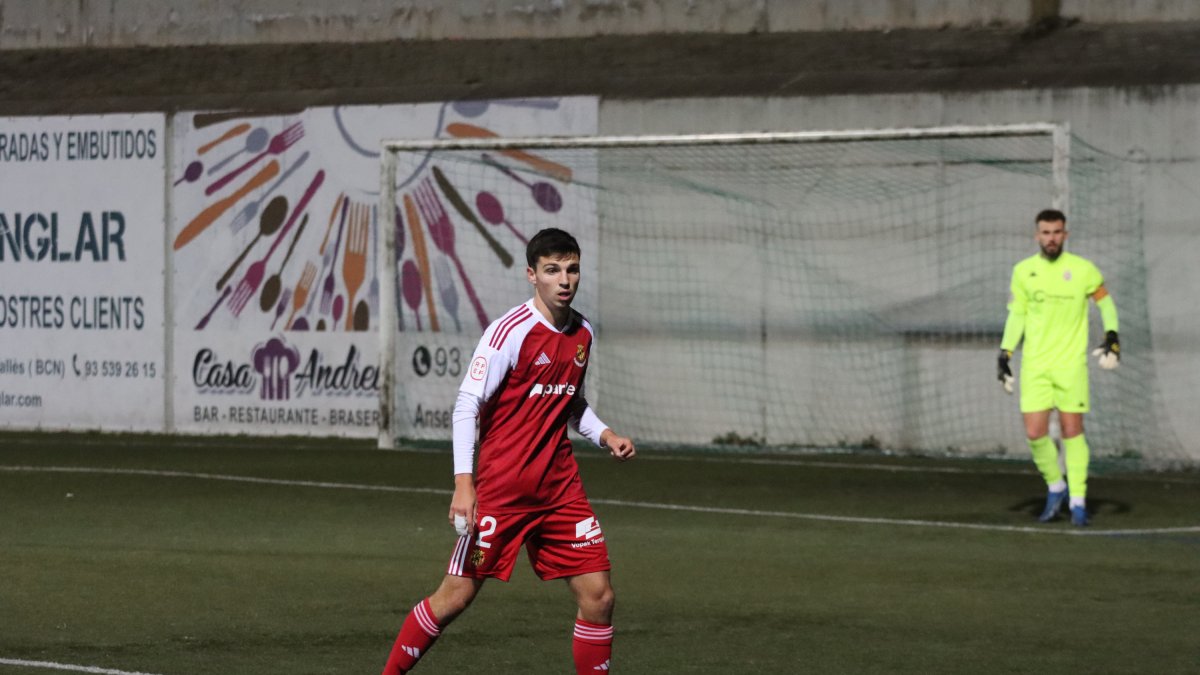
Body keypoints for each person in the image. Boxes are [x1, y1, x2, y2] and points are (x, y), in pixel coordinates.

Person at [382, 228, 636, 674]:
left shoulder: (583, 332)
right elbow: (467, 405)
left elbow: (569, 400)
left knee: (600, 597)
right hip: (502, 490)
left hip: (560, 491)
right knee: (455, 597)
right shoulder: (509, 333)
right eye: (552, 270)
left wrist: (605, 434)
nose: (565, 280)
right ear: (531, 275)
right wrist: (465, 484)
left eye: (572, 269)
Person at [997, 209, 1119, 527]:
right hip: (1036, 364)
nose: (1051, 238)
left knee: (1072, 431)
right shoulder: (1023, 271)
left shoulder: (1082, 270)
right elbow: (1017, 315)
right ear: (1036, 236)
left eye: (1056, 232)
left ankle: (1078, 501)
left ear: (1066, 234)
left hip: (1070, 365)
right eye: (1045, 232)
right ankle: (1056, 486)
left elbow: (1105, 302)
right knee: (1035, 433)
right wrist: (1005, 352)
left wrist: (1112, 336)